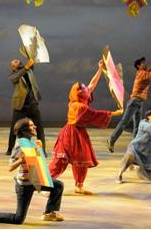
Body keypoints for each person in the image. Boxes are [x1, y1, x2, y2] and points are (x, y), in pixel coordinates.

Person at [49, 60, 123, 195]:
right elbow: (94, 114)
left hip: (79, 133)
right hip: (70, 134)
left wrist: (100, 69)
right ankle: (45, 184)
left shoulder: (79, 99)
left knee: (81, 160)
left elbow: (92, 85)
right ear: (78, 93)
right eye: (83, 88)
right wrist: (113, 113)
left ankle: (79, 185)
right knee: (60, 161)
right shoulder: (79, 106)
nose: (86, 89)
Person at [0, 117, 64, 224]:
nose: (35, 127)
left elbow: (36, 163)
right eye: (31, 125)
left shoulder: (30, 143)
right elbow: (10, 167)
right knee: (18, 219)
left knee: (58, 185)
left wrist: (39, 149)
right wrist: (21, 159)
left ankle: (49, 213)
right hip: (24, 185)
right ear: (24, 130)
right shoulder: (19, 146)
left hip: (35, 180)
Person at [107, 53, 151, 153]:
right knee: (124, 123)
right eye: (142, 63)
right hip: (134, 102)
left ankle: (135, 147)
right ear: (138, 66)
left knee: (137, 126)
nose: (145, 64)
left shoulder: (144, 72)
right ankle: (111, 140)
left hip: (139, 102)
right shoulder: (141, 73)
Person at [115, 107, 151, 184]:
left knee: (149, 178)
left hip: (145, 154)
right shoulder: (143, 123)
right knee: (129, 156)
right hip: (135, 148)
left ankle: (136, 167)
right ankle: (119, 175)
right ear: (148, 116)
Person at [6, 58, 46, 156]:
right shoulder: (13, 75)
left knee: (39, 128)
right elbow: (17, 76)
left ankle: (43, 150)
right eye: (14, 62)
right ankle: (10, 149)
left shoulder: (28, 70)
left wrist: (30, 58)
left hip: (32, 104)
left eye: (17, 60)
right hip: (20, 105)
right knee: (14, 128)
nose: (17, 61)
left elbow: (31, 61)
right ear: (13, 68)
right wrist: (27, 66)